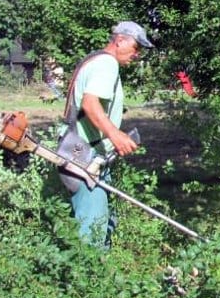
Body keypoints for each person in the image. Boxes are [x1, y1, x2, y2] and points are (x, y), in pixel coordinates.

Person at [58, 21, 154, 247]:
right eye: (136, 48)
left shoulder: (96, 60)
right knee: (91, 235)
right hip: (83, 156)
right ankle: (88, 278)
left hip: (79, 151)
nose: (137, 55)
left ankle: (91, 274)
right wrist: (115, 134)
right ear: (119, 40)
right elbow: (90, 104)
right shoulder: (107, 64)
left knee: (97, 224)